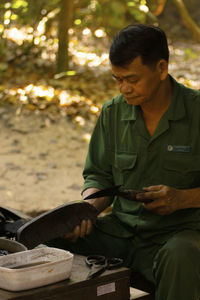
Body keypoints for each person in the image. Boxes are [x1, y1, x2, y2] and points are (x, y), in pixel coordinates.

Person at [48, 24, 200, 300]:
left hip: (181, 233)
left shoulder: (197, 113)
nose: (124, 88)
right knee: (47, 238)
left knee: (182, 256)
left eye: (132, 79)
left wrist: (182, 198)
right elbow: (98, 178)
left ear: (162, 68)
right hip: (121, 230)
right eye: (117, 79)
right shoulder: (112, 113)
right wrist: (86, 211)